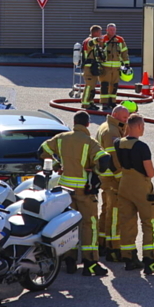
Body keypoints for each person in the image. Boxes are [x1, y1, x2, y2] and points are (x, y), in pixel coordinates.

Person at [40, 110, 113, 276]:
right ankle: (90, 263)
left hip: (65, 190)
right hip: (84, 191)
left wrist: (57, 166)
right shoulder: (90, 142)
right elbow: (104, 160)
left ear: (74, 123)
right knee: (89, 225)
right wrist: (95, 171)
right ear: (87, 124)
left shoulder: (61, 138)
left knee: (67, 225)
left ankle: (69, 260)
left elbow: (41, 151)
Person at [115, 114, 154, 275]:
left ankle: (129, 258)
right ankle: (151, 261)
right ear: (139, 126)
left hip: (124, 186)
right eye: (143, 126)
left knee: (127, 223)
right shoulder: (142, 147)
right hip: (141, 188)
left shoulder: (118, 143)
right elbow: (150, 172)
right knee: (150, 223)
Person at [96, 103, 129, 261]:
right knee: (115, 212)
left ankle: (102, 242)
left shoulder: (108, 126)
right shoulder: (111, 131)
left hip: (105, 178)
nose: (126, 120)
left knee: (107, 209)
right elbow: (113, 159)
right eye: (124, 117)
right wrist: (121, 179)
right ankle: (113, 248)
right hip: (112, 180)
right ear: (115, 115)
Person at [100, 23, 129, 110]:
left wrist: (126, 64)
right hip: (105, 67)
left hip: (116, 68)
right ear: (107, 30)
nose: (112, 31)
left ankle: (112, 102)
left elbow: (124, 52)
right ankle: (104, 103)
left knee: (114, 85)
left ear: (116, 30)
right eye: (110, 30)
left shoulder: (120, 40)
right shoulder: (102, 39)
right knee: (105, 85)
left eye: (113, 30)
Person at [80, 25, 105, 109]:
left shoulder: (91, 41)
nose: (101, 34)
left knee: (92, 87)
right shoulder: (89, 41)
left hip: (92, 67)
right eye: (100, 32)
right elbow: (91, 43)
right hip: (88, 68)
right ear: (96, 32)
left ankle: (90, 102)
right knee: (89, 86)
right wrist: (98, 39)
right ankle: (85, 103)